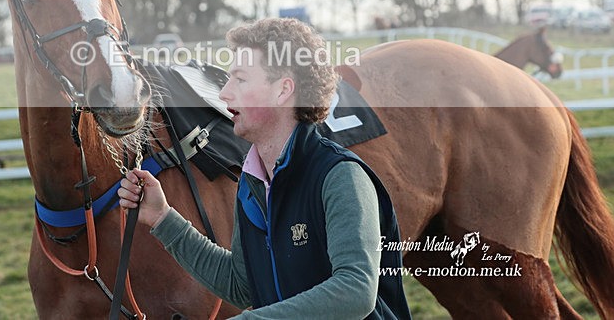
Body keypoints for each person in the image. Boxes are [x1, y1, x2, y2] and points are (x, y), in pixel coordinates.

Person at [118, 18, 411, 319]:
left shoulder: (339, 176)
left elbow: (356, 291)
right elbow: (241, 284)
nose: (224, 93)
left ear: (283, 90)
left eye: (241, 80)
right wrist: (162, 217)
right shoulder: (253, 182)